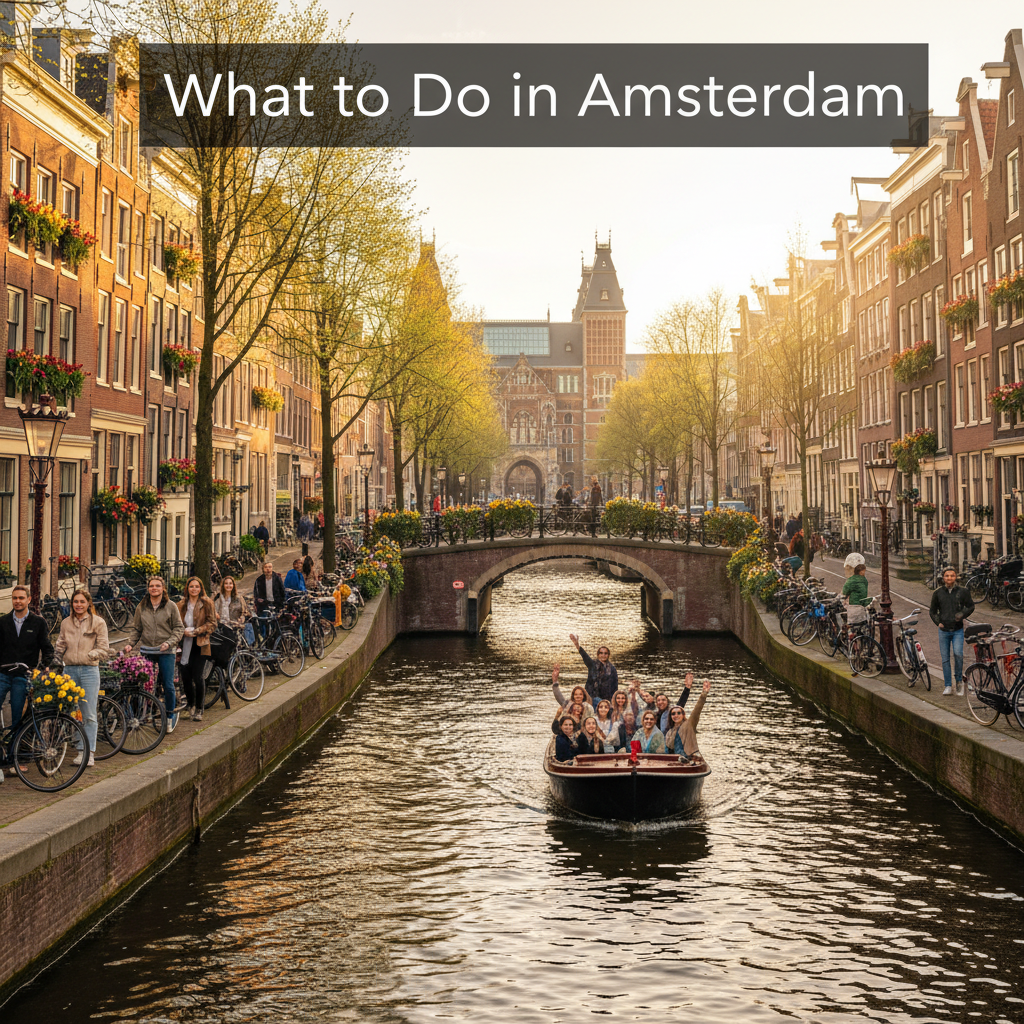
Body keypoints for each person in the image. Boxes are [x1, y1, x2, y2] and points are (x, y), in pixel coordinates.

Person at [54, 588, 110, 767]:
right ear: (72, 604)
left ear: (88, 603)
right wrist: (54, 660)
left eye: (82, 602)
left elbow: (104, 648)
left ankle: (89, 752)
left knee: (89, 713)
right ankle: (79, 749)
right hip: (69, 670)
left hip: (89, 670)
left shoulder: (98, 622)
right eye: (75, 602)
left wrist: (93, 654)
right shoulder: (66, 623)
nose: (78, 605)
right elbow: (60, 644)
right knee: (74, 712)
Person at [124, 576, 184, 731]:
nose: (154, 588)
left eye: (157, 586)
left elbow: (179, 628)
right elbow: (137, 628)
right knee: (144, 684)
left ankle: (169, 716)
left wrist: (169, 643)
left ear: (163, 588)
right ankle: (145, 713)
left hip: (166, 650)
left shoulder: (171, 606)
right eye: (151, 586)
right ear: (148, 588)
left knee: (168, 685)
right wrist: (130, 644)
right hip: (147, 650)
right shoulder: (142, 606)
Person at [0, 584, 56, 742]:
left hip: (24, 674)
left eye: (21, 598)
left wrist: (43, 667)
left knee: (18, 712)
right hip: (3, 673)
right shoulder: (2, 622)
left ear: (29, 599)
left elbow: (47, 649)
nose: (17, 601)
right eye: (15, 598)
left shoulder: (38, 623)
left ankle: (16, 750)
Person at [929, 567, 975, 696]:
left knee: (958, 654)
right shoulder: (937, 593)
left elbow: (970, 606)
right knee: (945, 659)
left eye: (952, 575)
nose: (949, 578)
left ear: (956, 577)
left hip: (957, 629)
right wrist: (938, 622)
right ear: (943, 578)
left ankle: (959, 682)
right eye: (947, 576)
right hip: (944, 630)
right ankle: (948, 685)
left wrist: (962, 614)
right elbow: (932, 611)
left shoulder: (963, 592)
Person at [177, 577, 216, 721]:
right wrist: (183, 632)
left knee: (198, 676)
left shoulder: (207, 603)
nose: (194, 589)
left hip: (200, 643)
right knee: (185, 677)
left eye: (197, 586)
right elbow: (175, 624)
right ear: (187, 588)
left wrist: (198, 630)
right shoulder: (181, 604)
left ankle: (200, 708)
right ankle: (190, 705)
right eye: (191, 586)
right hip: (184, 643)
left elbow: (212, 623)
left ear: (201, 588)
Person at [663, 680, 711, 759]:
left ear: (683, 715)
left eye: (679, 713)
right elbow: (669, 749)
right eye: (673, 714)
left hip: (690, 758)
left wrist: (704, 694)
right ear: (670, 716)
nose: (676, 715)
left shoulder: (689, 724)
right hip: (677, 759)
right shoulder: (669, 732)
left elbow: (697, 711)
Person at [568, 634, 619, 704]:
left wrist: (614, 701)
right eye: (601, 653)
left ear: (608, 655)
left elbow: (615, 686)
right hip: (592, 697)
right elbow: (585, 656)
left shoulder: (612, 669)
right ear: (598, 654)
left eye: (605, 653)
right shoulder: (592, 664)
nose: (603, 655)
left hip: (606, 699)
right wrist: (577, 645)